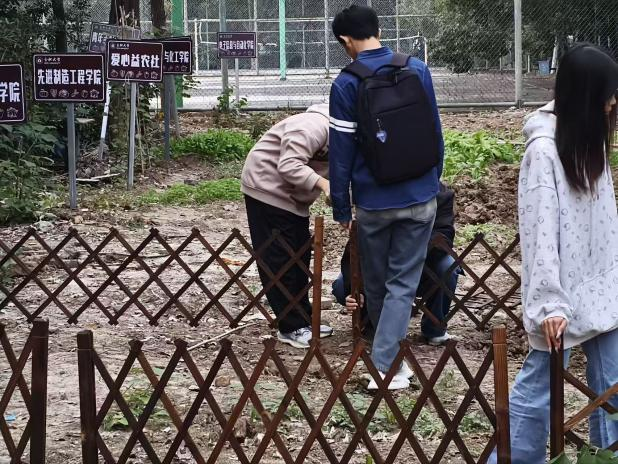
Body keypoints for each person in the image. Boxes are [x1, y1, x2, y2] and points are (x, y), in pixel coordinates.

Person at [488, 44, 618, 463]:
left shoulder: (591, 137)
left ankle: (606, 456)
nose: (613, 103)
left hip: (603, 287)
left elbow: (604, 221)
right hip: (561, 293)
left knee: (613, 385)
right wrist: (549, 303)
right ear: (586, 95)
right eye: (607, 94)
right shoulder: (543, 151)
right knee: (538, 391)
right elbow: (539, 231)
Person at [329, 5, 444, 390]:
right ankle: (394, 363)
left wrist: (341, 206)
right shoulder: (417, 69)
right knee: (401, 284)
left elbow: (341, 152)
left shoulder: (346, 84)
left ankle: (384, 368)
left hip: (374, 203)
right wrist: (431, 182)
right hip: (420, 196)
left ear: (346, 41)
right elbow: (435, 133)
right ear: (377, 30)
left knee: (377, 284)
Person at [241, 104, 334, 349]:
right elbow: (289, 165)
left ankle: (304, 319)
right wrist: (324, 185)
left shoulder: (345, 135)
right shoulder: (313, 126)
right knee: (280, 260)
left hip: (293, 198)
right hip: (266, 188)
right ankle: (290, 326)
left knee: (299, 257)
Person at [332, 182, 459, 347]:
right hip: (380, 266)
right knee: (341, 287)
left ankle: (434, 328)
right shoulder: (380, 190)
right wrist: (353, 288)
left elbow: (444, 237)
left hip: (423, 265)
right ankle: (372, 324)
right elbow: (356, 245)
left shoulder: (440, 195)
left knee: (448, 266)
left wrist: (407, 252)